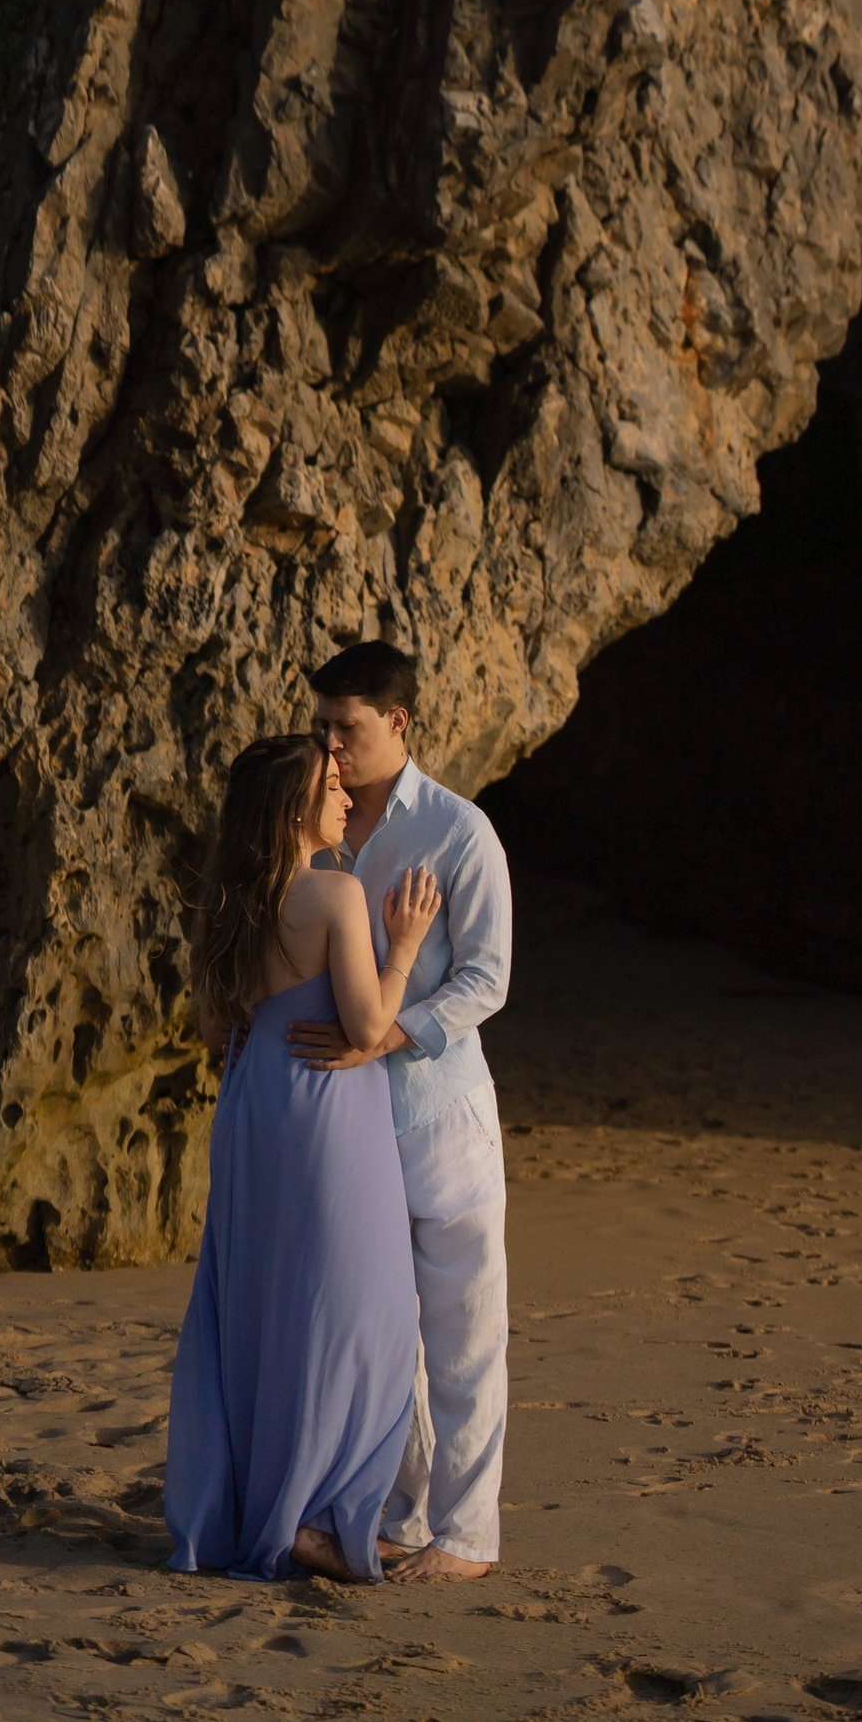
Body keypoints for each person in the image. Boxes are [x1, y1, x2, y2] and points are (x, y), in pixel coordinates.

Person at [164, 733, 443, 1583]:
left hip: (253, 1106)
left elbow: (217, 1029)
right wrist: (405, 949)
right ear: (293, 808)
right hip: (328, 1114)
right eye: (329, 788)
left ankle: (268, 1507)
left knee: (260, 1304)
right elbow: (365, 1029)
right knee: (361, 1309)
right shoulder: (335, 894)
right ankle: (311, 1517)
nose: (345, 801)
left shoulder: (225, 904)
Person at [291, 638, 512, 1583]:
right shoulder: (320, 823)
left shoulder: (461, 833)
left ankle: (468, 1540)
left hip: (442, 1114)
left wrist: (389, 1033)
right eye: (323, 728)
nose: (332, 748)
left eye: (348, 728)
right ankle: (403, 1518)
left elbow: (488, 979)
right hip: (350, 1124)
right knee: (388, 1340)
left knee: (464, 1333)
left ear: (399, 722)